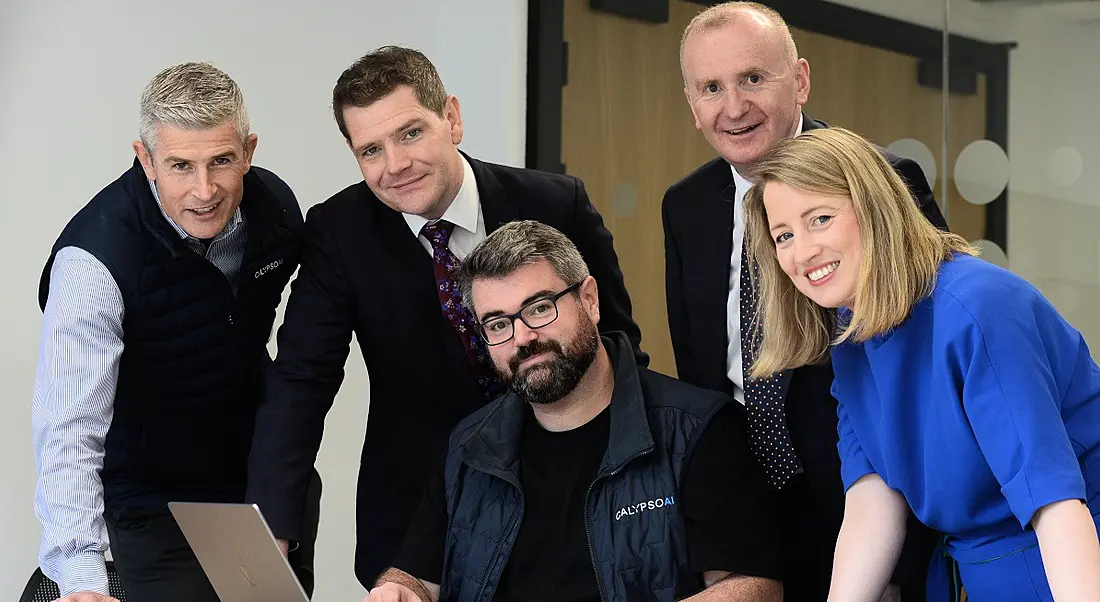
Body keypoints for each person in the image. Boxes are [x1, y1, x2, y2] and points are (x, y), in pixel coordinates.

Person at [245, 46, 645, 588]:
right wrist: (273, 525)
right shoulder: (339, 232)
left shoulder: (556, 203)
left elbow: (619, 348)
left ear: (451, 118)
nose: (395, 166)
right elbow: (301, 380)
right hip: (416, 512)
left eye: (410, 133)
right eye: (370, 150)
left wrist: (643, 487)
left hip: (566, 494)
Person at [663, 2, 948, 600]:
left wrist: (899, 565)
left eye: (753, 78)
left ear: (800, 80)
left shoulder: (881, 181)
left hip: (870, 505)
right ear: (691, 105)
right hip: (743, 512)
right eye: (710, 87)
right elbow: (699, 365)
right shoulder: (686, 206)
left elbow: (929, 379)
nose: (733, 107)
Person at [742, 126, 1100, 602]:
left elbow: (1055, 502)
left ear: (874, 210)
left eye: (821, 219)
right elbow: (872, 502)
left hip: (1067, 560)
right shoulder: (851, 332)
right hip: (966, 570)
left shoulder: (978, 308)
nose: (802, 251)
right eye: (783, 235)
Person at [363, 220, 781, 602]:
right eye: (497, 324)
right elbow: (417, 576)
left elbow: (752, 587)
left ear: (591, 300)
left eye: (540, 308)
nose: (522, 337)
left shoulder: (696, 429)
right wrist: (399, 590)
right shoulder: (469, 447)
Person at [31, 62, 320, 602]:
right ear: (146, 160)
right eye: (181, 165)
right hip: (153, 498)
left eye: (221, 162)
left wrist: (276, 497)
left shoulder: (277, 214)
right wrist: (81, 580)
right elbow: (68, 429)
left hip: (259, 478)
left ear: (249, 151)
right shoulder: (94, 263)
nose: (204, 190)